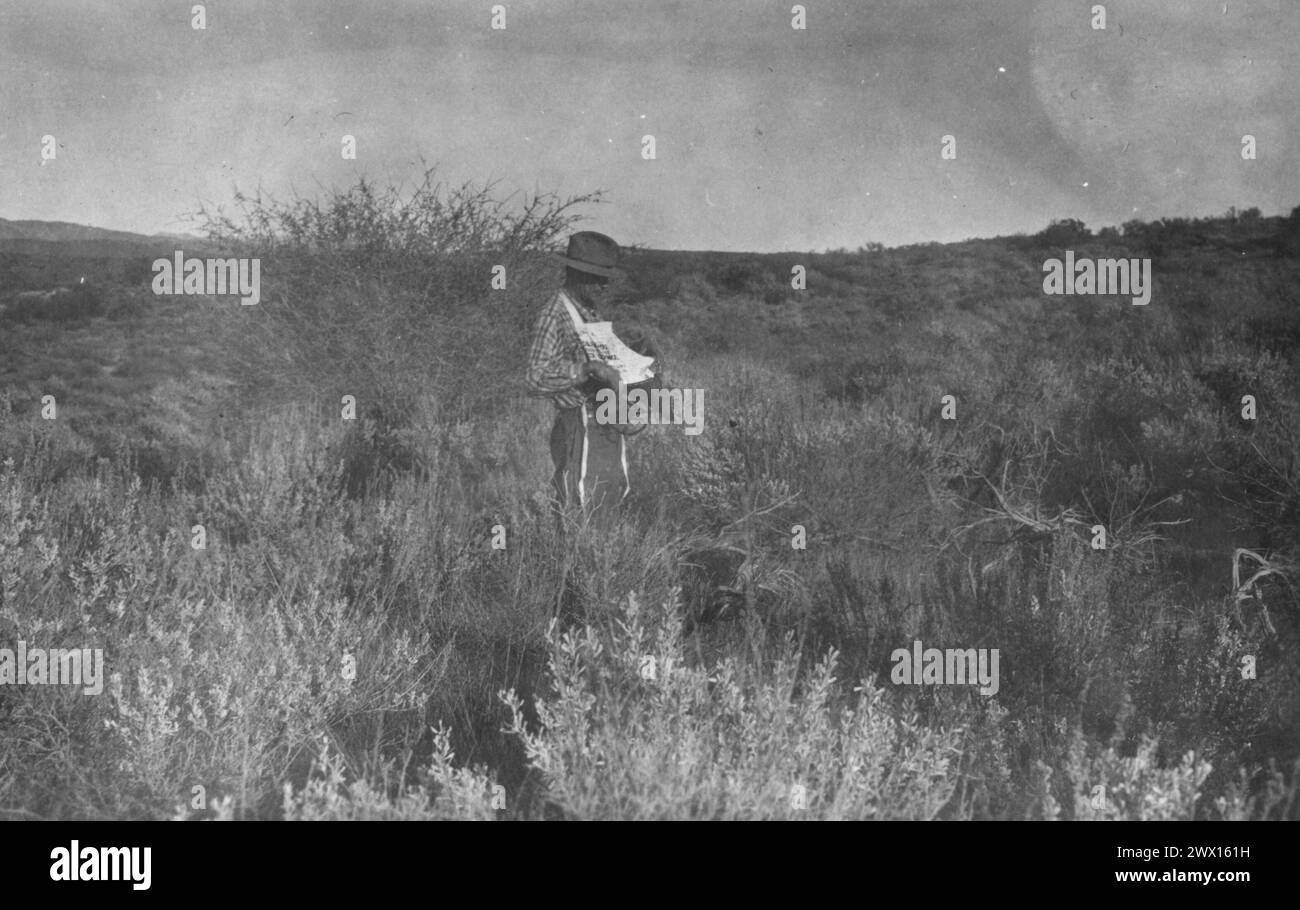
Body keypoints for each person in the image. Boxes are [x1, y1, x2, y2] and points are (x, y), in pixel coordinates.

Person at [524, 231, 662, 523]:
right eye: (596, 277)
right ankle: (578, 562)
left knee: (608, 493)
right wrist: (584, 371)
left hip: (603, 417)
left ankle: (598, 559)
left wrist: (634, 360)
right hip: (578, 421)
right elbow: (535, 377)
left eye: (605, 277)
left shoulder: (588, 311)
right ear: (575, 274)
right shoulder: (554, 314)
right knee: (581, 500)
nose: (603, 285)